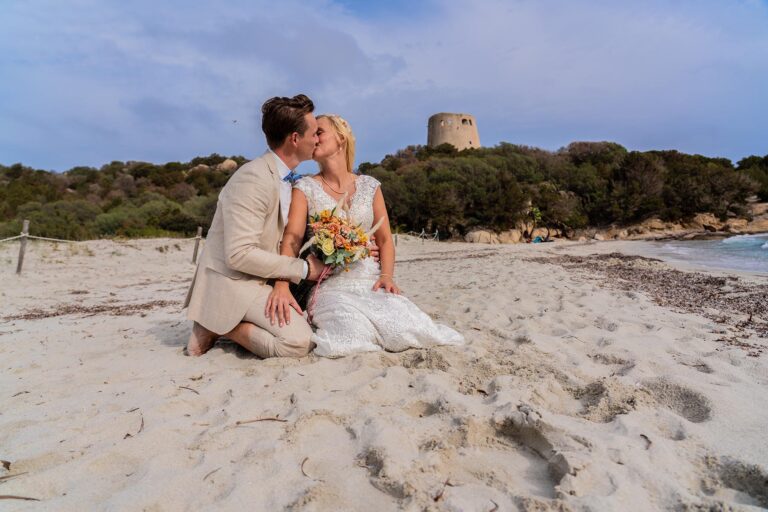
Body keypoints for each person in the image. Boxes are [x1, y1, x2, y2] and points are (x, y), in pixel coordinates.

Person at [267, 114, 464, 357]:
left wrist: (387, 276)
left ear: (341, 138)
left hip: (369, 279)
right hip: (329, 283)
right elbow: (293, 239)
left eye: (320, 132)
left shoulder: (370, 186)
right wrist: (282, 283)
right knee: (350, 335)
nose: (313, 138)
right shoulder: (305, 188)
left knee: (407, 329)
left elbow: (384, 240)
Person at [183, 94, 328, 358]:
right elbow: (239, 254)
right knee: (298, 343)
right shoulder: (253, 178)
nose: (318, 138)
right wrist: (305, 269)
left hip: (268, 278)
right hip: (236, 281)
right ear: (295, 139)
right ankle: (220, 324)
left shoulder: (295, 182)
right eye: (314, 133)